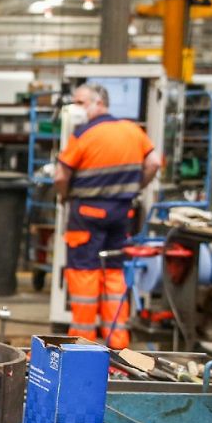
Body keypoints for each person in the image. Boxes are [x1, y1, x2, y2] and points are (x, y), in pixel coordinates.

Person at [53, 83, 163, 349]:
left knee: (84, 275)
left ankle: (83, 343)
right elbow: (155, 162)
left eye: (80, 102)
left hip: (86, 216)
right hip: (120, 214)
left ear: (98, 103)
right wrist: (137, 187)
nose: (76, 108)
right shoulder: (133, 130)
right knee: (114, 274)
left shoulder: (84, 134)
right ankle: (117, 342)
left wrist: (64, 195)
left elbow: (60, 175)